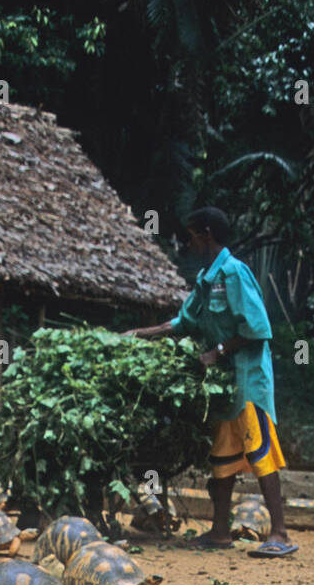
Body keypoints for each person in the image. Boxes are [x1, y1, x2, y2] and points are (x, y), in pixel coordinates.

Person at [127, 207, 296, 555]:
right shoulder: (206, 280)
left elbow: (257, 328)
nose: (188, 243)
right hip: (222, 386)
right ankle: (220, 531)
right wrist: (141, 334)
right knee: (221, 457)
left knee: (259, 450)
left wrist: (217, 350)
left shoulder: (234, 273)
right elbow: (183, 322)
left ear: (206, 234)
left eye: (191, 236)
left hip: (248, 380)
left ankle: (279, 532)